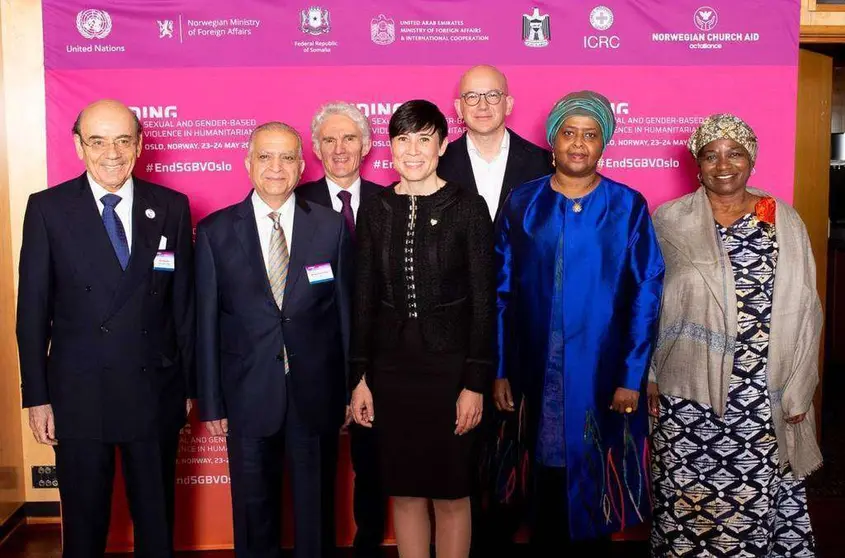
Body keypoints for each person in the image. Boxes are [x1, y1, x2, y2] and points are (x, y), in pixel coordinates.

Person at [16, 99, 195, 558]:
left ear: (138, 147)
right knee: (84, 528)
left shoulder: (171, 207)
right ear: (78, 146)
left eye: (122, 140)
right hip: (78, 396)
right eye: (97, 141)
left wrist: (189, 387)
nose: (110, 152)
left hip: (152, 390)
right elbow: (32, 311)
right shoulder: (48, 209)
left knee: (157, 527)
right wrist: (37, 397)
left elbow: (184, 308)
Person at [494, 91, 664, 550]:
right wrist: (500, 370)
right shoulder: (523, 203)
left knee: (594, 485)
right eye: (569, 133)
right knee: (543, 483)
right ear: (553, 141)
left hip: (600, 375)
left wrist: (631, 376)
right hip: (537, 375)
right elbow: (502, 294)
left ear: (603, 144)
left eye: (590, 135)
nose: (578, 144)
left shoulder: (626, 206)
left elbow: (646, 293)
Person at [649, 113, 822, 556]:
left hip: (762, 393)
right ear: (697, 164)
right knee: (687, 503)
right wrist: (649, 374)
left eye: (735, 153)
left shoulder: (778, 217)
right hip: (687, 394)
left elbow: (806, 305)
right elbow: (646, 303)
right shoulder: (669, 219)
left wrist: (799, 389)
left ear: (752, 160)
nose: (723, 165)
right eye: (710, 155)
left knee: (752, 503)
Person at [195, 122, 351, 558]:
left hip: (315, 395)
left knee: (315, 515)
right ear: (248, 164)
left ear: (302, 166)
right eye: (265, 157)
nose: (276, 167)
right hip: (246, 395)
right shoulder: (215, 232)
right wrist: (212, 401)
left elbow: (344, 315)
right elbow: (206, 323)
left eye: (286, 157)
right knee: (252, 512)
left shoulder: (331, 227)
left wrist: (348, 387)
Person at [349, 100, 495, 558]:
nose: (412, 150)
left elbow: (484, 302)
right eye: (402, 139)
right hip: (391, 373)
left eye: (423, 139)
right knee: (406, 491)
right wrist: (359, 379)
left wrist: (475, 383)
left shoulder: (469, 207)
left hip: (450, 371)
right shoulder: (375, 210)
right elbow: (364, 300)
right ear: (390, 147)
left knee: (452, 493)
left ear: (442, 144)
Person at [296, 102, 386, 558]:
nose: (339, 148)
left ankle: (367, 545)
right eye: (329, 140)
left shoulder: (389, 202)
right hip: (314, 362)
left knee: (371, 464)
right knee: (315, 468)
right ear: (314, 149)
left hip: (376, 360)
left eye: (349, 138)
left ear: (367, 145)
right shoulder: (295, 203)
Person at [439, 64, 551, 221]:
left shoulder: (544, 163)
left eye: (492, 95)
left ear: (509, 104)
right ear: (459, 108)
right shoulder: (438, 164)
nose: (483, 106)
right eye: (472, 96)